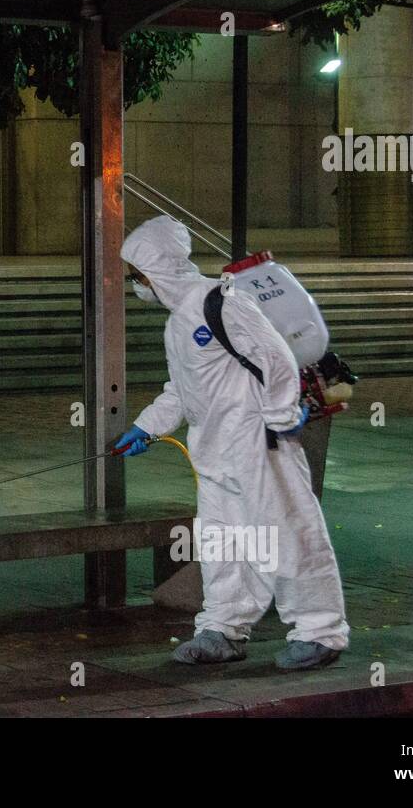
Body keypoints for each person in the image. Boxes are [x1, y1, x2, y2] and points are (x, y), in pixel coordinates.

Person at [115, 215, 349, 670]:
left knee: (289, 532)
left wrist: (282, 418)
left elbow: (276, 357)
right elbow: (181, 390)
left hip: (259, 443)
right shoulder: (178, 323)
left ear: (157, 268)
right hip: (215, 451)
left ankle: (320, 631)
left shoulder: (221, 301)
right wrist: (147, 427)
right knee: (222, 542)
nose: (136, 285)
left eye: (137, 275)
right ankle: (222, 628)